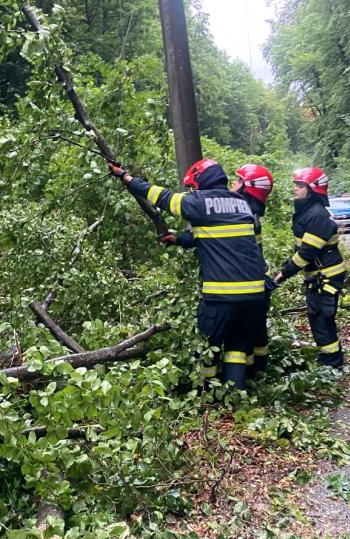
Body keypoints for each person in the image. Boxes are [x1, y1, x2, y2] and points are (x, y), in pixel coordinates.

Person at [108, 158, 268, 390]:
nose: (193, 191)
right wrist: (178, 240)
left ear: (203, 181)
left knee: (207, 346)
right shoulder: (241, 203)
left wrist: (125, 177)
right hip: (254, 294)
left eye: (194, 186)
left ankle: (205, 394)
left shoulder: (200, 203)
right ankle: (235, 395)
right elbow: (214, 235)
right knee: (237, 346)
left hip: (222, 294)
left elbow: (161, 197)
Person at [272, 167, 346, 368]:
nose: (295, 189)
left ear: (313, 190)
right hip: (318, 277)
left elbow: (306, 254)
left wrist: (281, 275)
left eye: (300, 185)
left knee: (322, 321)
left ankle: (332, 364)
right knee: (318, 319)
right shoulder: (308, 212)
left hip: (326, 278)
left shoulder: (317, 216)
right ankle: (329, 361)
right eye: (296, 185)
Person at [232, 163, 274, 377]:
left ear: (248, 187)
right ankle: (259, 372)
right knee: (257, 329)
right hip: (258, 280)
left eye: (239, 180)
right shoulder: (252, 212)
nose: (233, 184)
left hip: (246, 282)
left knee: (244, 332)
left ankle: (248, 375)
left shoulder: (243, 214)